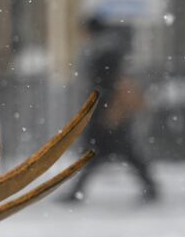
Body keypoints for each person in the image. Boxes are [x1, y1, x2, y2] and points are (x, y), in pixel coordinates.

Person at [62, 14, 159, 203]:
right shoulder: (108, 50)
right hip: (106, 110)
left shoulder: (105, 53)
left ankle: (77, 192)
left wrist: (107, 110)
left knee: (100, 151)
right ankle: (150, 187)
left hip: (106, 111)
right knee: (120, 151)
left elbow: (108, 85)